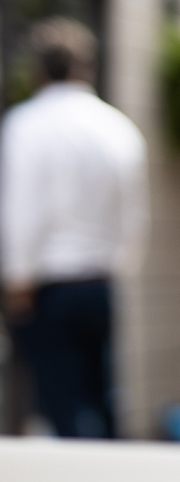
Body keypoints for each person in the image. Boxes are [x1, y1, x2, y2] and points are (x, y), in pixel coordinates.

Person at [0, 16, 149, 437]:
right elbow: (133, 214)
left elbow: (23, 209)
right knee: (102, 402)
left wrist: (17, 279)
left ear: (38, 68)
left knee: (61, 408)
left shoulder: (26, 125)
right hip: (99, 283)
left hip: (48, 287)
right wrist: (120, 266)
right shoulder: (117, 127)